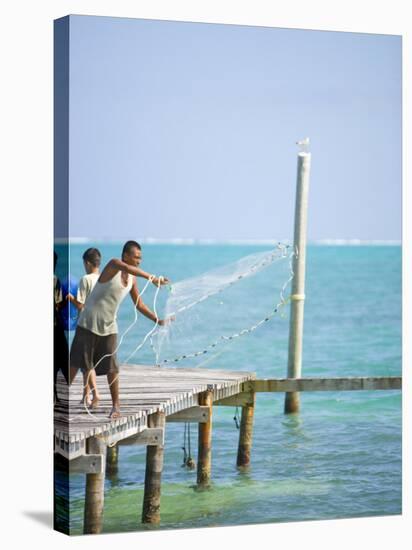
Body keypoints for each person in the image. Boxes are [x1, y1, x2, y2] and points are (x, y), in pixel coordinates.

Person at [69, 240, 171, 418]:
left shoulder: (131, 280)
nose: (139, 261)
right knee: (75, 365)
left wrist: (158, 320)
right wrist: (152, 278)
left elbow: (139, 304)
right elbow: (130, 269)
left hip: (109, 326)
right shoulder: (113, 265)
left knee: (112, 368)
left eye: (140, 258)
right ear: (125, 256)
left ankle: (116, 407)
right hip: (88, 323)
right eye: (136, 257)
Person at [68, 247, 102, 408]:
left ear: (87, 263)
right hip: (102, 325)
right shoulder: (104, 279)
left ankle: (95, 394)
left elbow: (81, 305)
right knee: (87, 362)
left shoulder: (86, 279)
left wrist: (71, 298)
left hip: (86, 326)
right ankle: (85, 396)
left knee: (87, 363)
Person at [54, 251, 69, 403]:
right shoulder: (54, 280)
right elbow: (57, 305)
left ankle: (55, 397)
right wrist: (67, 300)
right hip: (55, 327)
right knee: (64, 361)